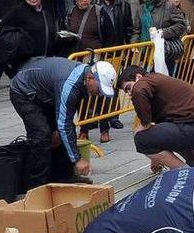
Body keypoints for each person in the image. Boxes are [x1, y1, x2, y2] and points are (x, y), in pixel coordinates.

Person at [8, 57, 117, 186]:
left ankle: (63, 176)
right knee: (42, 135)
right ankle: (36, 185)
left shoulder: (84, 77)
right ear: (90, 78)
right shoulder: (70, 84)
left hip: (44, 93)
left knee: (61, 132)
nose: (99, 94)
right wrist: (77, 159)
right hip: (24, 93)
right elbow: (63, 125)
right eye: (99, 89)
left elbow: (65, 123)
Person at [118, 65, 194, 172]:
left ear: (138, 77)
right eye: (126, 92)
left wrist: (140, 132)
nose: (130, 94)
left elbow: (146, 125)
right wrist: (156, 159)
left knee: (142, 139)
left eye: (129, 88)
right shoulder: (155, 80)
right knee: (165, 132)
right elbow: (164, 132)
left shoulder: (142, 85)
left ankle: (185, 172)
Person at [68, 0, 112, 144]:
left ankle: (104, 129)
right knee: (80, 95)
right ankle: (84, 130)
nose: (84, 0)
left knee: (101, 94)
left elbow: (110, 36)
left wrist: (108, 59)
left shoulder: (99, 12)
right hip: (77, 61)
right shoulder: (69, 13)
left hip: (97, 59)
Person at [0, 0, 59, 78]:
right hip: (25, 67)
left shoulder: (46, 13)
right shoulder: (17, 12)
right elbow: (2, 34)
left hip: (46, 64)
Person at [98, 0, 137, 129]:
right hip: (101, 52)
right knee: (100, 85)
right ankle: (98, 116)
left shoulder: (123, 5)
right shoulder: (96, 6)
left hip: (118, 52)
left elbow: (129, 28)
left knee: (113, 83)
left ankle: (114, 116)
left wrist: (129, 47)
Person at [134, 0, 188, 71]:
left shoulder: (168, 6)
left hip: (165, 52)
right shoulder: (140, 9)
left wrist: (162, 33)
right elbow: (136, 30)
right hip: (146, 54)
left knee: (165, 79)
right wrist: (134, 45)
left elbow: (181, 25)